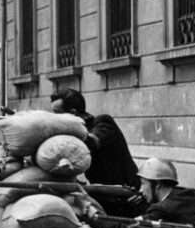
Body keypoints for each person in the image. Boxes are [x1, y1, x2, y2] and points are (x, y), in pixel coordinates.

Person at [50, 88, 141, 216]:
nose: (54, 119)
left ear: (73, 113)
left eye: (57, 114)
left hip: (127, 197)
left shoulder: (103, 123)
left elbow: (90, 143)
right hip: (102, 195)